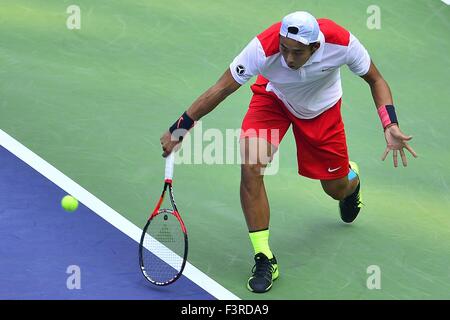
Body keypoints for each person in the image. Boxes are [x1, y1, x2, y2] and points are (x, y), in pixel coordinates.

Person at [160, 11, 417, 293]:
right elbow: (221, 88)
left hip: (322, 111)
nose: (288, 58)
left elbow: (376, 79)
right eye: (284, 49)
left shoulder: (341, 42)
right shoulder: (262, 48)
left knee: (335, 188)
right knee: (251, 165)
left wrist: (389, 123)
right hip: (274, 99)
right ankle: (263, 257)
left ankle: (351, 180)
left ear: (315, 47)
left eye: (297, 52)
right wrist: (180, 128)